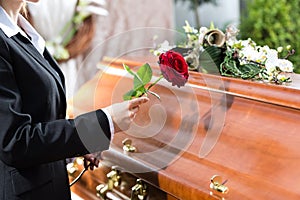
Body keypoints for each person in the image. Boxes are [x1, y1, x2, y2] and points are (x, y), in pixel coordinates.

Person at [0, 0, 149, 199]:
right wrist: (103, 123)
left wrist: (76, 146)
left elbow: (42, 120)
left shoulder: (23, 31)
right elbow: (14, 143)